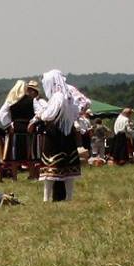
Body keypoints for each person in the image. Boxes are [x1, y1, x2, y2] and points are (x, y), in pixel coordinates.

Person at [33, 70, 84, 201]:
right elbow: (84, 103)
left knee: (50, 167)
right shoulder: (69, 95)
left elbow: (48, 115)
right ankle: (69, 197)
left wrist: (40, 115)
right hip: (67, 132)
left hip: (54, 133)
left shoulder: (58, 96)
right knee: (67, 167)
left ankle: (46, 198)